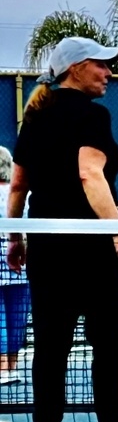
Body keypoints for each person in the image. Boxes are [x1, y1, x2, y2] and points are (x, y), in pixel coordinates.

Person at [6, 37, 118, 422]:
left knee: (50, 343)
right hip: (89, 248)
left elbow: (18, 185)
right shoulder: (92, 115)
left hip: (46, 246)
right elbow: (91, 176)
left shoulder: (35, 118)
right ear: (77, 68)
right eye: (101, 65)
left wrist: (15, 236)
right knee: (108, 339)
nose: (109, 73)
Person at [0, 146, 30, 385]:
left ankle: (1, 369)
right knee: (17, 317)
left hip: (13, 260)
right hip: (21, 264)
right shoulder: (24, 196)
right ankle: (12, 366)